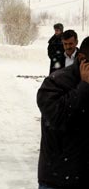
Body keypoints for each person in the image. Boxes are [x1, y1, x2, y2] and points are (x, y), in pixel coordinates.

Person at [37, 36, 89, 189]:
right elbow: (57, 117)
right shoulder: (54, 83)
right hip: (58, 178)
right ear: (82, 59)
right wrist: (84, 88)